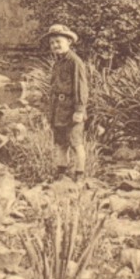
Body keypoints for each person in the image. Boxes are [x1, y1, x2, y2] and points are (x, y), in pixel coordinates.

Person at [43, 23, 89, 175]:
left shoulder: (75, 62)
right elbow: (54, 88)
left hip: (71, 109)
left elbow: (81, 87)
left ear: (68, 41)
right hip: (58, 109)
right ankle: (61, 172)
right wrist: (49, 111)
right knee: (61, 142)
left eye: (58, 41)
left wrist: (80, 110)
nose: (55, 45)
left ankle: (80, 174)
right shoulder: (58, 63)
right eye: (52, 42)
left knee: (76, 143)